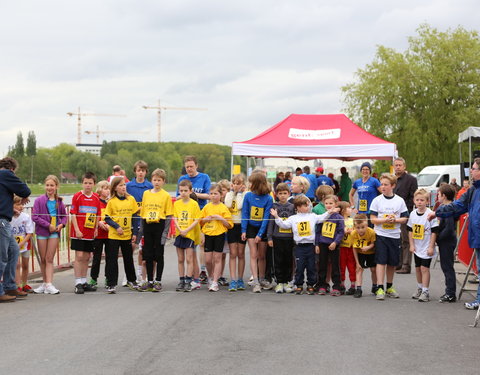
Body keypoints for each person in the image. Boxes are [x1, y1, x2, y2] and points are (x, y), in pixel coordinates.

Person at [434, 158, 480, 310]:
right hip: (476, 235)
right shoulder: (473, 189)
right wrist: (439, 211)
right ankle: (479, 300)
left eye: (473, 169)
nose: (471, 172)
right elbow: (459, 206)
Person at [271, 195, 335, 295]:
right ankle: (299, 284)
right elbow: (284, 224)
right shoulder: (293, 218)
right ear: (299, 207)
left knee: (311, 266)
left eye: (308, 205)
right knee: (299, 267)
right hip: (299, 246)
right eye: (306, 205)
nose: (308, 207)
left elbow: (321, 218)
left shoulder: (312, 216)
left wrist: (329, 212)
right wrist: (276, 216)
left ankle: (310, 284)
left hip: (310, 246)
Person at [369, 174, 409, 300]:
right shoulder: (377, 200)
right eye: (382, 184)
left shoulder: (399, 201)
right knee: (381, 261)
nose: (383, 187)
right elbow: (373, 219)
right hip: (381, 235)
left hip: (394, 235)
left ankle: (389, 287)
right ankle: (379, 287)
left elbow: (405, 218)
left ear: (393, 186)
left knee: (392, 263)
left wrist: (395, 220)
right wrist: (384, 221)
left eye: (386, 184)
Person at [0, 157, 30, 302]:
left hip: (4, 220)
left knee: (13, 250)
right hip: (1, 222)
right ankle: (1, 291)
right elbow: (25, 190)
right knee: (2, 257)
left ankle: (10, 286)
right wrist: (24, 197)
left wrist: (9, 208)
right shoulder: (5, 174)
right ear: (12, 169)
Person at [177, 155, 211, 283]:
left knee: (200, 244)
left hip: (200, 213)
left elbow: (208, 195)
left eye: (191, 166)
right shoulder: (182, 179)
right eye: (187, 167)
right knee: (190, 250)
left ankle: (201, 271)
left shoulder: (204, 177)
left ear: (196, 166)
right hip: (185, 216)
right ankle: (192, 277)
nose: (189, 169)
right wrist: (185, 195)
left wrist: (193, 195)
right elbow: (178, 196)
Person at [138, 169, 173, 292]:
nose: (156, 182)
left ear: (163, 181)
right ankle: (150, 280)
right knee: (148, 255)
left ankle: (158, 280)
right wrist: (140, 233)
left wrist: (165, 233)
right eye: (154, 180)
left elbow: (168, 216)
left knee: (158, 254)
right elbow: (142, 215)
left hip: (159, 225)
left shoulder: (166, 195)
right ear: (151, 180)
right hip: (148, 226)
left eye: (159, 180)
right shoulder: (146, 194)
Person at [32, 175, 67, 295]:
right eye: (47, 185)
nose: (49, 187)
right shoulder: (38, 200)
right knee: (42, 259)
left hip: (54, 233)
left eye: (52, 185)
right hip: (42, 232)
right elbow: (35, 216)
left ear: (56, 186)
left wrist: (61, 225)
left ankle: (49, 284)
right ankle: (45, 282)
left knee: (49, 259)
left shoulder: (60, 202)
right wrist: (48, 225)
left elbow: (64, 217)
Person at [104, 177, 140, 294]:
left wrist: (134, 233)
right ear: (115, 188)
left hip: (127, 235)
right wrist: (116, 226)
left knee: (128, 258)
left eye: (124, 185)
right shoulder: (111, 201)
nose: (123, 187)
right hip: (114, 235)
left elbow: (135, 216)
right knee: (112, 259)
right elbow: (107, 217)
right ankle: (111, 283)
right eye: (120, 185)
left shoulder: (131, 199)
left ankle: (132, 280)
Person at [70, 172, 102, 294]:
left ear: (94, 184)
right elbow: (73, 214)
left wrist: (96, 229)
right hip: (79, 232)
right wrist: (77, 230)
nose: (87, 185)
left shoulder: (95, 198)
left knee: (87, 257)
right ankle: (77, 282)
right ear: (82, 183)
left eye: (90, 183)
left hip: (90, 232)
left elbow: (97, 214)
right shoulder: (77, 196)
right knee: (79, 256)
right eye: (85, 183)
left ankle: (84, 281)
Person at [241, 172, 273, 293]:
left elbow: (266, 217)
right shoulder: (248, 196)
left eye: (251, 182)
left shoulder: (268, 198)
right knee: (253, 255)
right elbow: (245, 213)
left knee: (262, 255)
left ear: (257, 183)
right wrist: (244, 230)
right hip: (250, 227)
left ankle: (262, 278)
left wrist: (260, 234)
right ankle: (255, 280)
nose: (249, 184)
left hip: (262, 228)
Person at [199, 184, 233, 292]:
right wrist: (206, 219)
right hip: (208, 234)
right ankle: (210, 277)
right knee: (208, 260)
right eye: (211, 194)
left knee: (217, 258)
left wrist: (220, 219)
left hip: (219, 234)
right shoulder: (206, 207)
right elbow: (200, 221)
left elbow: (229, 224)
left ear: (221, 195)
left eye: (216, 194)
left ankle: (215, 281)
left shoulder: (223, 208)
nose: (213, 196)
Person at [408, 188, 438, 302]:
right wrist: (411, 245)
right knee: (417, 268)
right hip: (417, 246)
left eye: (422, 200)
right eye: (417, 200)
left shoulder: (430, 214)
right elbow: (410, 230)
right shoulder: (412, 214)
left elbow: (434, 231)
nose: (419, 202)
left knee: (424, 268)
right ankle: (420, 287)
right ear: (414, 201)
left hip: (426, 246)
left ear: (427, 201)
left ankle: (426, 291)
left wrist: (431, 246)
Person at [127, 160, 154, 282]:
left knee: (143, 251)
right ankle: (128, 275)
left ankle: (140, 274)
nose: (140, 173)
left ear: (146, 172)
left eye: (143, 171)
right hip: (132, 221)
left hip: (146, 222)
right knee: (130, 249)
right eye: (138, 170)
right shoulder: (128, 186)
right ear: (135, 171)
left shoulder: (150, 186)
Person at [267, 183, 295, 294]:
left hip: (289, 238)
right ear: (276, 194)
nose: (283, 195)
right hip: (277, 237)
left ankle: (287, 281)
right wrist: (269, 237)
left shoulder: (292, 207)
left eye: (285, 193)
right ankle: (279, 282)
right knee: (278, 260)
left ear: (289, 194)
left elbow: (294, 223)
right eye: (280, 193)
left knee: (288, 260)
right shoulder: (274, 207)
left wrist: (295, 237)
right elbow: (271, 223)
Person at [173, 179, 200, 293]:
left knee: (189, 258)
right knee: (180, 259)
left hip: (189, 234)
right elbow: (175, 218)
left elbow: (196, 219)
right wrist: (180, 229)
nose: (183, 193)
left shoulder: (194, 204)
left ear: (190, 191)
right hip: (180, 234)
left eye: (185, 190)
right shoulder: (177, 204)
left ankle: (189, 280)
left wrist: (187, 230)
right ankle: (181, 280)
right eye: (181, 191)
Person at [315, 195, 345, 296]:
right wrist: (317, 244)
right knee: (322, 265)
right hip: (322, 244)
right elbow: (318, 232)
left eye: (331, 203)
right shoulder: (323, 217)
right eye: (326, 203)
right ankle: (322, 285)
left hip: (333, 245)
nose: (328, 205)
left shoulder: (339, 218)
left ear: (336, 204)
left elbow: (341, 232)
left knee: (335, 266)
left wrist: (335, 242)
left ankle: (337, 286)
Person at [393, 157, 418, 274]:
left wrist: (408, 211)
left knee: (406, 240)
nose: (398, 167)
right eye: (396, 165)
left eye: (400, 165)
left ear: (404, 166)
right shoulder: (392, 179)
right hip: (392, 214)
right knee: (397, 239)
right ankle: (398, 263)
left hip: (405, 213)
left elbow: (414, 197)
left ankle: (406, 265)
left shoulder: (411, 179)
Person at [435, 184, 459, 303]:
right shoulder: (445, 207)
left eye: (438, 194)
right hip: (445, 240)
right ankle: (449, 291)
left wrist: (439, 238)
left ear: (443, 196)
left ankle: (450, 293)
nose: (438, 196)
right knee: (446, 266)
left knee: (447, 267)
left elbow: (449, 228)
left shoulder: (448, 208)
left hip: (447, 241)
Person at [225, 174, 247, 291]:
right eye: (235, 183)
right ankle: (233, 279)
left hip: (241, 226)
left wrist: (239, 193)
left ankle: (240, 279)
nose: (237, 185)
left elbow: (239, 206)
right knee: (233, 254)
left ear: (243, 184)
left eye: (239, 183)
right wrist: (233, 192)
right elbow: (228, 204)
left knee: (241, 253)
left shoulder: (245, 195)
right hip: (231, 226)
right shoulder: (229, 194)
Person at [89, 180, 110, 288]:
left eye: (108, 189)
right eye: (105, 188)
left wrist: (110, 225)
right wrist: (98, 223)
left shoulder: (109, 203)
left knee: (109, 257)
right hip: (98, 234)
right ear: (100, 190)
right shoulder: (95, 202)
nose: (107, 191)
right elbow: (91, 216)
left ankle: (108, 278)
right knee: (96, 258)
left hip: (109, 234)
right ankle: (93, 279)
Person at [351, 214, 377, 298]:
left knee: (373, 269)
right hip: (360, 253)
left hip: (371, 253)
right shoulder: (353, 234)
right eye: (358, 228)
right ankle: (359, 289)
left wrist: (368, 247)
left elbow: (373, 244)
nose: (360, 230)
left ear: (367, 225)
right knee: (359, 269)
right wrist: (357, 263)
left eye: (363, 227)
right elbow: (354, 248)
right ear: (354, 227)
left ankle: (374, 286)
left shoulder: (371, 232)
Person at [12, 196, 34, 293]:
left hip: (25, 243)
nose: (20, 206)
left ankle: (24, 283)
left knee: (25, 265)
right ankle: (18, 284)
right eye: (17, 204)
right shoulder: (8, 217)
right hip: (13, 243)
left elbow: (29, 232)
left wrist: (22, 242)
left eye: (21, 204)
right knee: (17, 264)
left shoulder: (26, 217)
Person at [338, 201, 356, 295]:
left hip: (351, 247)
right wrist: (345, 230)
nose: (350, 210)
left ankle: (353, 285)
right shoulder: (339, 220)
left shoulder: (352, 220)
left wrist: (352, 231)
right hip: (342, 247)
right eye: (348, 208)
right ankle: (342, 284)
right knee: (342, 266)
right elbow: (341, 231)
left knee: (352, 266)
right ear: (343, 210)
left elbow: (355, 231)